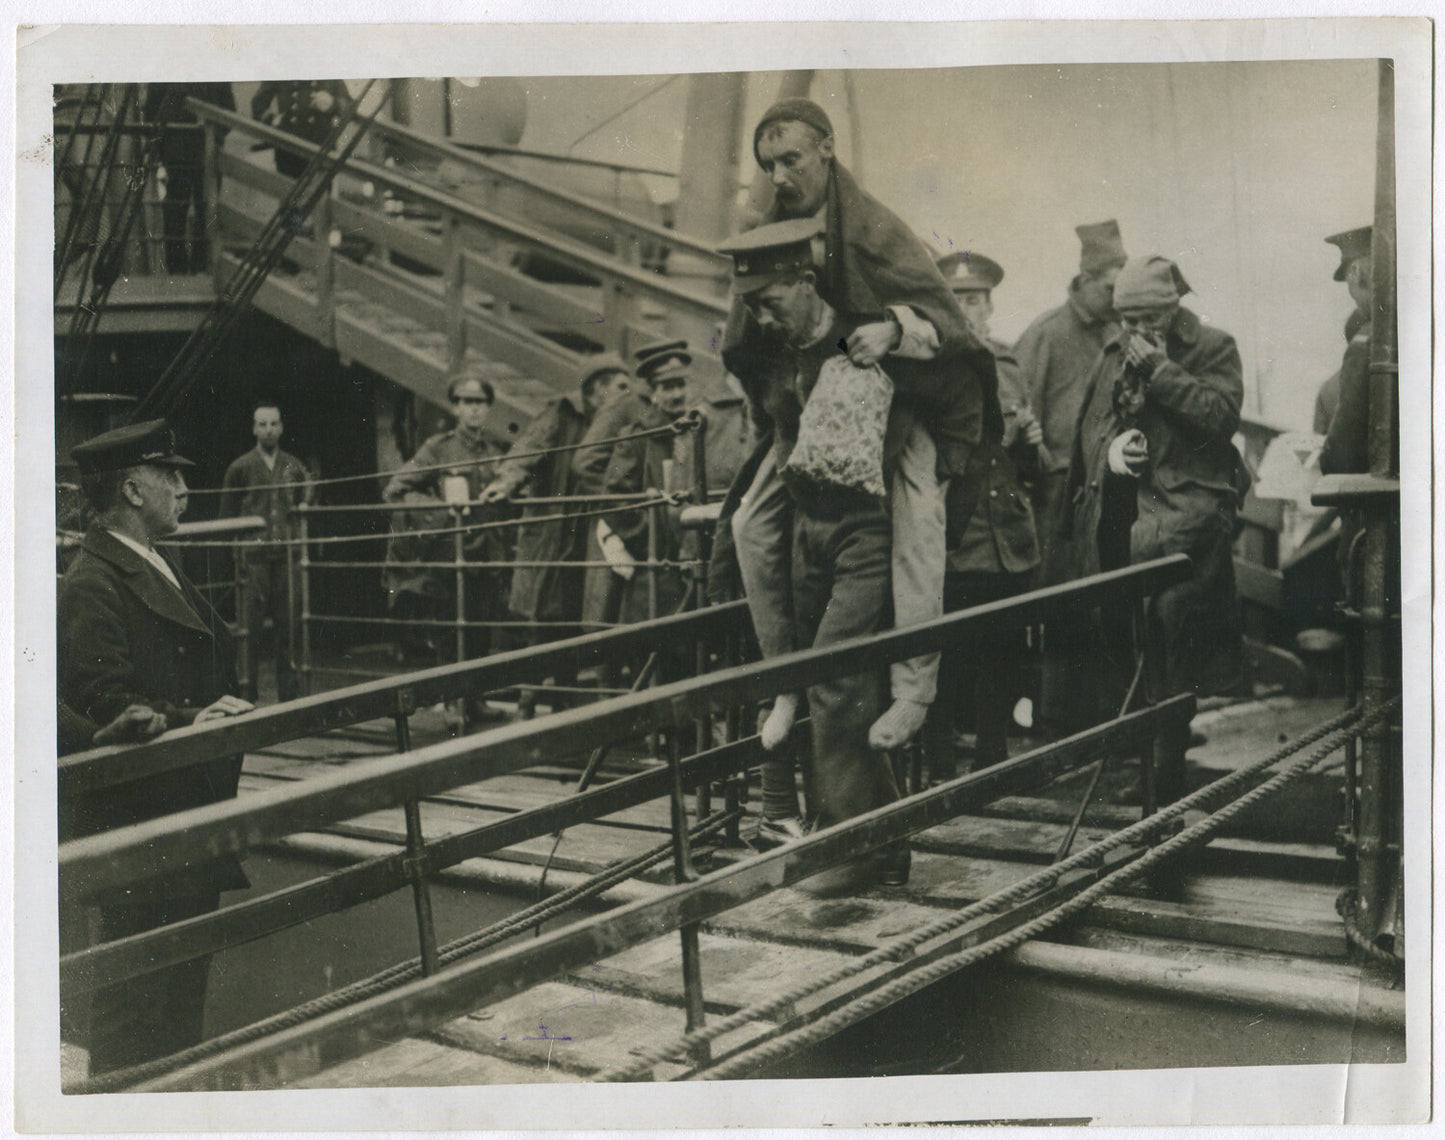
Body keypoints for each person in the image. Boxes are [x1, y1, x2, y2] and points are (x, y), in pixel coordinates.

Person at [717, 97, 995, 757]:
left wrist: (893, 325)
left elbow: (942, 320)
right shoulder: (769, 235)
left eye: (789, 158)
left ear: (825, 149)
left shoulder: (874, 228)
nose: (779, 175)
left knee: (916, 526)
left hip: (892, 405)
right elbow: (743, 343)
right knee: (747, 527)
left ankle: (913, 689)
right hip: (807, 410)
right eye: (767, 164)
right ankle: (784, 676)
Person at [57, 419, 254, 1075]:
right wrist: (197, 719)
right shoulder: (95, 579)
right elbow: (101, 700)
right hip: (142, 820)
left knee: (174, 1007)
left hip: (180, 814)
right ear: (134, 490)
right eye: (172, 476)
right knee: (133, 1010)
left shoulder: (152, 563)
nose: (184, 489)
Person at [1053, 256, 1247, 805]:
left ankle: (1166, 781)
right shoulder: (1114, 353)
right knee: (1122, 645)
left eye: (1146, 323)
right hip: (1122, 522)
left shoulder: (1213, 348)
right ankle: (1136, 769)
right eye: (1128, 323)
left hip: (1185, 524)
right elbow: (1088, 436)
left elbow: (1220, 419)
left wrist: (1162, 372)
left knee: (1173, 644)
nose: (1135, 335)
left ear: (1172, 310)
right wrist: (1114, 453)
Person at [927, 252, 1043, 776]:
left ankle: (992, 760)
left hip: (1007, 533)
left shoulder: (1007, 364)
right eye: (958, 300)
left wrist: (1029, 447)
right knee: (948, 653)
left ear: (990, 306)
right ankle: (941, 764)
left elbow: (1023, 466)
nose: (969, 310)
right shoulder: (932, 366)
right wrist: (1005, 437)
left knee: (1003, 649)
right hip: (958, 528)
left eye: (975, 300)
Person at [481, 356, 632, 661]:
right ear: (598, 388)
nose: (626, 395)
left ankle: (565, 694)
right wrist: (506, 482)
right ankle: (529, 700)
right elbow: (529, 448)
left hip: (586, 527)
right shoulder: (562, 413)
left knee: (576, 611)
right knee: (544, 613)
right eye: (621, 387)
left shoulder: (613, 419)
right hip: (554, 529)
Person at [1015, 219, 1128, 564]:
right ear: (1085, 281)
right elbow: (1020, 410)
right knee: (1059, 594)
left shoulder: (1120, 331)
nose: (1118, 299)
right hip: (1059, 493)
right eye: (1111, 289)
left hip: (1112, 481)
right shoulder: (1046, 333)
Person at [382, 377, 507, 679]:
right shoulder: (439, 449)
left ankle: (474, 699)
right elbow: (396, 490)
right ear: (456, 408)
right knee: (451, 629)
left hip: (486, 554)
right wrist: (439, 513)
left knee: (480, 629)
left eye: (480, 403)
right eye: (467, 403)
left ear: (488, 408)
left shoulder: (494, 451)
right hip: (452, 554)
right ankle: (453, 704)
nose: (474, 410)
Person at [596, 342, 697, 629]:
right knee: (656, 641)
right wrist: (652, 537)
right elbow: (613, 499)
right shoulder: (636, 437)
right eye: (667, 387)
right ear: (654, 394)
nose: (677, 394)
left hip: (694, 557)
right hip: (657, 564)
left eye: (680, 385)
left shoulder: (699, 430)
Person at [219, 400, 312, 702]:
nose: (268, 430)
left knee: (290, 624)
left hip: (286, 556)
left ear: (281, 427)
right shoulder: (240, 468)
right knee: (250, 628)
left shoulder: (294, 466)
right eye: (262, 424)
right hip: (253, 557)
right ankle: (246, 694)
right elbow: (228, 515)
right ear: (254, 429)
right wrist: (237, 549)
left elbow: (302, 505)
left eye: (274, 424)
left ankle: (290, 694)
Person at [142, 83, 236, 274]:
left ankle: (199, 267)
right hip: (178, 149)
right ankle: (178, 269)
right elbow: (152, 110)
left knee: (205, 210)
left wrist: (215, 136)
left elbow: (229, 110)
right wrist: (163, 146)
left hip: (205, 151)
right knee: (177, 209)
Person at [250, 80, 353, 179]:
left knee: (319, 194)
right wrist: (271, 120)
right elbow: (258, 103)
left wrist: (333, 104)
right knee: (287, 190)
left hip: (320, 147)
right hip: (288, 148)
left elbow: (349, 107)